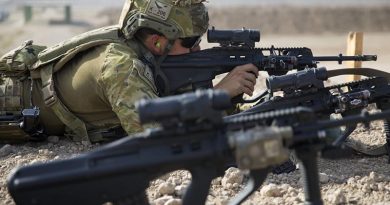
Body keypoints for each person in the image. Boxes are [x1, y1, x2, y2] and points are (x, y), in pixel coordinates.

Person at [0, 0, 258, 144]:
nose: (198, 48)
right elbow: (158, 137)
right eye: (190, 42)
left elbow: (178, 104)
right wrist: (219, 93)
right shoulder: (120, 66)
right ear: (158, 42)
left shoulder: (147, 55)